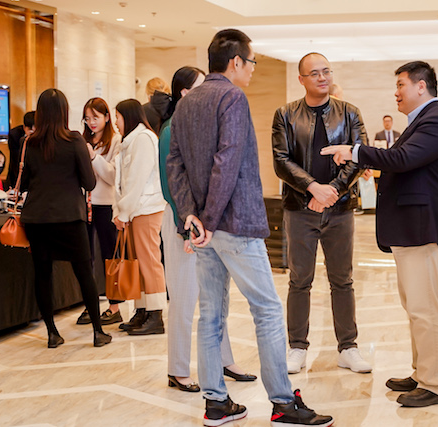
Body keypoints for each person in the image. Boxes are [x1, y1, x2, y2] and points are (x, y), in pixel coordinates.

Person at [167, 29, 333, 427]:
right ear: (236, 61)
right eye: (252, 61)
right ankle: (283, 403)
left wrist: (191, 216)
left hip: (204, 229)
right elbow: (227, 161)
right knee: (268, 310)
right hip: (233, 224)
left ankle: (216, 403)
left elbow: (175, 164)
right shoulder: (232, 97)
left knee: (211, 314)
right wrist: (208, 219)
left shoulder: (186, 104)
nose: (253, 69)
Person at [322, 60, 438, 408]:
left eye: (401, 85)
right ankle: (423, 372)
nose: (396, 93)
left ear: (421, 86)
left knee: (425, 308)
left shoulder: (437, 121)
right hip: (411, 227)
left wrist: (354, 151)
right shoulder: (421, 121)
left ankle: (436, 384)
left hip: (423, 227)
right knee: (415, 306)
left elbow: (402, 158)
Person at [272, 52, 372, 375]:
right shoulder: (285, 114)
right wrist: (314, 188)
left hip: (340, 209)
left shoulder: (350, 112)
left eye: (326, 71)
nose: (322, 77)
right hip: (299, 209)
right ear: (301, 79)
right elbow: (281, 161)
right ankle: (297, 347)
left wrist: (333, 192)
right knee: (300, 280)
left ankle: (348, 348)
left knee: (342, 280)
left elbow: (359, 156)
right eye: (314, 73)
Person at [158, 66, 255, 393]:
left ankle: (225, 360)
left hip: (209, 226)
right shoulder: (171, 128)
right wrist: (187, 228)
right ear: (185, 93)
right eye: (202, 87)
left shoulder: (204, 124)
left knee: (217, 297)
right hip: (183, 224)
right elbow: (171, 185)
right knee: (184, 299)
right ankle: (178, 369)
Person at [20, 88, 111, 349]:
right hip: (69, 217)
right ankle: (98, 332)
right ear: (64, 112)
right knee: (84, 273)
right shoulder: (74, 141)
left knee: (42, 274)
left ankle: (52, 333)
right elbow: (89, 183)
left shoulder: (30, 143)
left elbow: (24, 183)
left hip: (37, 219)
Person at [113, 99, 167, 335]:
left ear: (129, 116)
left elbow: (136, 180)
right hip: (136, 210)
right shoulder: (130, 141)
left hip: (146, 208)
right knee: (139, 263)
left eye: (117, 117)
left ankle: (156, 315)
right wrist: (121, 212)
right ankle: (143, 310)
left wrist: (123, 212)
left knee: (149, 261)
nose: (115, 122)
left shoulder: (144, 139)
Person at [75, 98, 124, 326]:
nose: (91, 122)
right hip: (84, 205)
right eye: (87, 118)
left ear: (106, 117)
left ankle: (114, 307)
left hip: (106, 205)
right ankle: (90, 305)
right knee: (86, 257)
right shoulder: (82, 140)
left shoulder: (116, 141)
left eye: (95, 117)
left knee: (109, 256)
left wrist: (94, 157)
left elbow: (113, 176)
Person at [7, 111, 35, 188]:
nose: (32, 132)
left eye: (35, 128)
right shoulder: (15, 135)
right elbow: (16, 159)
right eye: (30, 129)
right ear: (24, 127)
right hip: (17, 172)